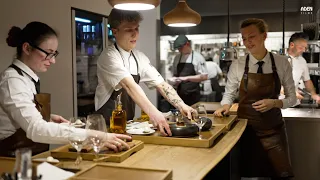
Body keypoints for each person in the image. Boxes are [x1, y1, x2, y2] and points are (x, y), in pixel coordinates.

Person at [0, 22, 131, 157]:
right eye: (48, 53)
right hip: (10, 161)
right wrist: (91, 135)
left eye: (54, 54)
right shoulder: (13, 81)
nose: (52, 61)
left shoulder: (25, 78)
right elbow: (35, 128)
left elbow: (20, 116)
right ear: (27, 48)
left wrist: (47, 118)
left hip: (30, 156)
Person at [214, 18, 297, 179]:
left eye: (251, 36)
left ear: (264, 36)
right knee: (246, 175)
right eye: (244, 38)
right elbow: (229, 94)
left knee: (280, 174)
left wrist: (275, 102)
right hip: (245, 131)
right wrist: (225, 105)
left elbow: (292, 98)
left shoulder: (282, 63)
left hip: (273, 130)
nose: (247, 42)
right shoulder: (238, 65)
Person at [95, 9, 194, 136]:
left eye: (137, 29)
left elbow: (161, 84)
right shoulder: (109, 56)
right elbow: (130, 86)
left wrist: (182, 106)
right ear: (115, 31)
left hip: (126, 127)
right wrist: (154, 113)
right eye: (129, 30)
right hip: (106, 128)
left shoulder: (138, 57)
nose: (135, 34)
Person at [169, 35, 208, 106]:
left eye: (181, 48)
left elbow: (204, 77)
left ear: (187, 44)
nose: (179, 50)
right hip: (179, 96)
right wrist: (175, 81)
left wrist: (186, 78)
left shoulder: (198, 57)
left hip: (193, 96)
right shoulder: (177, 58)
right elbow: (175, 74)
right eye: (178, 48)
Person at [284, 32, 320, 106]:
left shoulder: (302, 61)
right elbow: (274, 84)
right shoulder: (278, 60)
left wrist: (313, 94)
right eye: (301, 47)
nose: (304, 50)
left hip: (294, 104)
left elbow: (307, 80)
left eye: (305, 48)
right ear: (291, 45)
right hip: (280, 105)